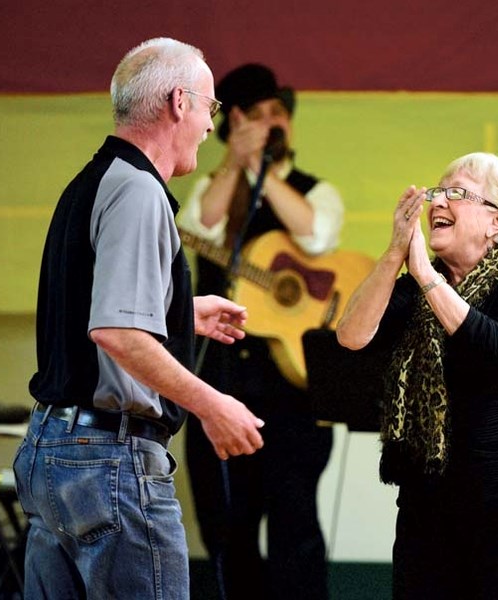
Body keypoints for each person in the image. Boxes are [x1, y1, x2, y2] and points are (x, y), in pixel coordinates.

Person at [12, 38, 265, 600]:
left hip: (51, 452)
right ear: (180, 102)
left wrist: (179, 312)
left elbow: (87, 308)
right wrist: (212, 405)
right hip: (108, 462)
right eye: (210, 107)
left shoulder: (93, 181)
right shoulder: (138, 191)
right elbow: (117, 332)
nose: (209, 124)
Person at [336, 152, 498, 600]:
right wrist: (393, 255)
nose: (438, 202)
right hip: (430, 498)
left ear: (496, 222)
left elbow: (493, 345)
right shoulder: (411, 290)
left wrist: (424, 273)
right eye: (438, 192)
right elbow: (351, 336)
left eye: (458, 193)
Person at [176, 63, 344, 600]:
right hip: (218, 382)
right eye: (258, 116)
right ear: (231, 124)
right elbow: (198, 226)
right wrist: (235, 162)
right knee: (229, 526)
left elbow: (314, 236)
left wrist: (263, 169)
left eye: (279, 116)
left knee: (296, 527)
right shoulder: (211, 184)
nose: (272, 124)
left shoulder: (317, 191)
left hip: (293, 395)